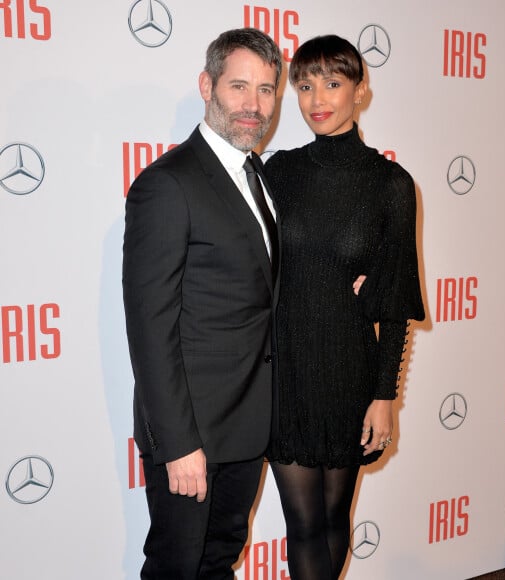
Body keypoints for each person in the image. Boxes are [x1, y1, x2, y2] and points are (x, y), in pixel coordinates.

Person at [122, 28, 282, 579]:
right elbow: (150, 325)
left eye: (266, 90)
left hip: (246, 424)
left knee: (218, 561)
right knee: (176, 567)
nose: (253, 104)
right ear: (206, 85)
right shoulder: (168, 184)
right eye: (239, 86)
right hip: (191, 434)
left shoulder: (257, 176)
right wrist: (179, 443)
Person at [264, 35, 425, 580]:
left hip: (351, 372)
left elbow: (397, 304)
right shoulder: (276, 173)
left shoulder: (391, 185)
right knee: (303, 524)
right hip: (285, 372)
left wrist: (385, 397)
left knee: (335, 519)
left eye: (332, 83)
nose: (317, 99)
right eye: (304, 86)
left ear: (360, 91)